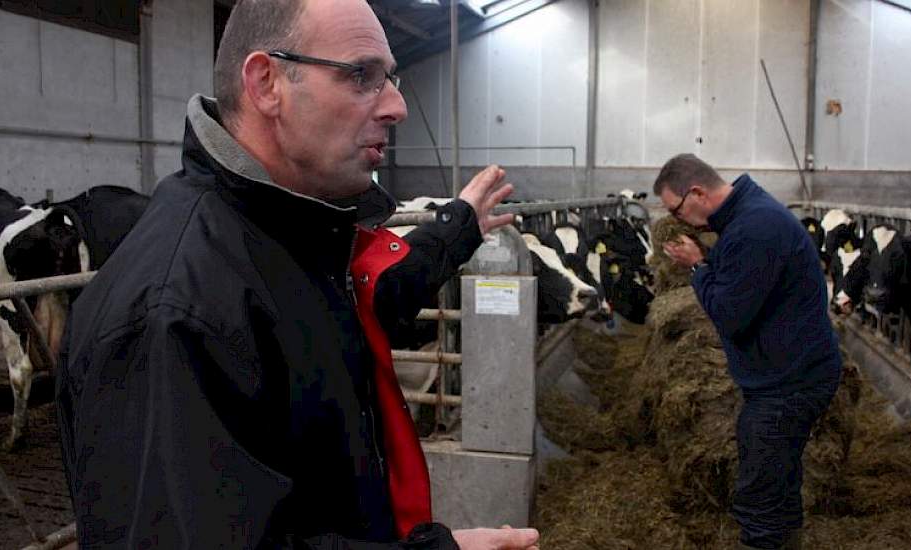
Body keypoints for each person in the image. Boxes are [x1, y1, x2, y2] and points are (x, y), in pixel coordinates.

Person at [55, 1, 539, 549]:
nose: (398, 106)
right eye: (362, 75)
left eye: (392, 78)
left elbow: (366, 305)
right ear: (266, 84)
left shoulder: (290, 238)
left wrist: (457, 229)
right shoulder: (177, 313)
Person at [656, 154, 841, 550]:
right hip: (786, 375)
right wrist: (708, 263)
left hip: (789, 384)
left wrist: (697, 268)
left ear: (697, 193)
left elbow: (729, 315)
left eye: (675, 210)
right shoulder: (747, 217)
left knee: (759, 496)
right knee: (779, 483)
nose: (679, 221)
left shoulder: (754, 228)